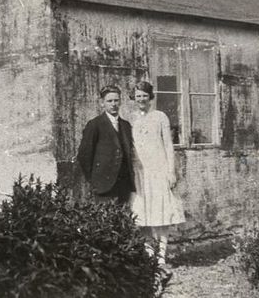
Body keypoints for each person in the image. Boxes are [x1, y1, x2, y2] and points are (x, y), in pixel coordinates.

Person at [129, 81, 185, 274]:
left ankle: (161, 256)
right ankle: (149, 255)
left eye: (144, 95)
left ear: (150, 97)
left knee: (161, 214)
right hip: (139, 172)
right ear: (133, 98)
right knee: (142, 214)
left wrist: (171, 171)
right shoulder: (131, 118)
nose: (141, 99)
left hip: (159, 170)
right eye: (138, 96)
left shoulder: (160, 117)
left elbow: (169, 146)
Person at [76, 85, 135, 204]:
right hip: (104, 185)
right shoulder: (95, 124)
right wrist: (94, 180)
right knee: (106, 218)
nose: (113, 104)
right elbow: (84, 155)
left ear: (120, 102)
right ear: (102, 103)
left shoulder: (126, 125)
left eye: (116, 100)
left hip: (124, 184)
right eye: (109, 101)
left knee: (124, 219)